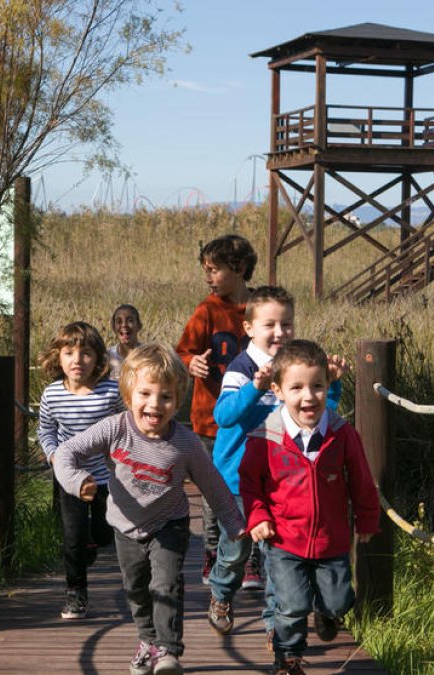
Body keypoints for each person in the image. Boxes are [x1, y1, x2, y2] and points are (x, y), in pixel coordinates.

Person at [54, 344, 245, 675]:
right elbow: (67, 451)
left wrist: (235, 524)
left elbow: (213, 485)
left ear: (178, 399)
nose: (154, 404)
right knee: (137, 589)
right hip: (125, 526)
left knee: (166, 584)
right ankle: (148, 642)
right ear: (129, 395)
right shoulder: (115, 428)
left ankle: (168, 652)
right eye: (145, 393)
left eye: (166, 397)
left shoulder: (185, 444)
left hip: (169, 523)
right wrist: (77, 480)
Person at [206, 287, 346, 648]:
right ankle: (222, 592)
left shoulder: (295, 368)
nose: (280, 332)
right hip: (238, 479)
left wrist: (333, 383)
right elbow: (223, 416)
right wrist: (256, 387)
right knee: (236, 549)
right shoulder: (241, 369)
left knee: (277, 558)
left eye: (287, 323)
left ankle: (276, 626)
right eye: (270, 324)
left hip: (283, 481)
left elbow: (316, 416)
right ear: (249, 327)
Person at [239, 340, 380, 675]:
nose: (308, 397)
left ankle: (329, 613)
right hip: (284, 539)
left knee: (338, 599)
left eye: (318, 386)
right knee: (291, 604)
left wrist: (367, 519)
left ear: (328, 386)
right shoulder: (266, 435)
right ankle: (288, 659)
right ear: (277, 390)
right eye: (297, 387)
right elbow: (249, 482)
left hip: (331, 538)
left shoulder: (341, 433)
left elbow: (361, 478)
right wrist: (258, 516)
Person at [175, 233, 256, 584]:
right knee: (213, 491)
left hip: (253, 420)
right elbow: (182, 351)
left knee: (254, 486)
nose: (208, 277)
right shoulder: (206, 310)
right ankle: (214, 553)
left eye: (214, 269)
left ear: (238, 268)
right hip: (210, 418)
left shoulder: (259, 308)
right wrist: (191, 363)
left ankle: (249, 557)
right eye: (206, 270)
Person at [37, 321, 124, 620]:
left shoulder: (111, 392)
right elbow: (46, 431)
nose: (78, 360)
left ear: (98, 358)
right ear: (57, 357)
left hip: (104, 477)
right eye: (69, 353)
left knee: (104, 533)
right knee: (71, 537)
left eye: (86, 353)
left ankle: (92, 542)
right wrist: (53, 456)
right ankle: (76, 593)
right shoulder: (52, 395)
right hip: (70, 478)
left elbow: (125, 425)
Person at [108, 303, 143, 378]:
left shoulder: (148, 354)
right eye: (119, 321)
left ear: (139, 326)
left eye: (130, 320)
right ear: (113, 327)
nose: (124, 325)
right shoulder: (108, 356)